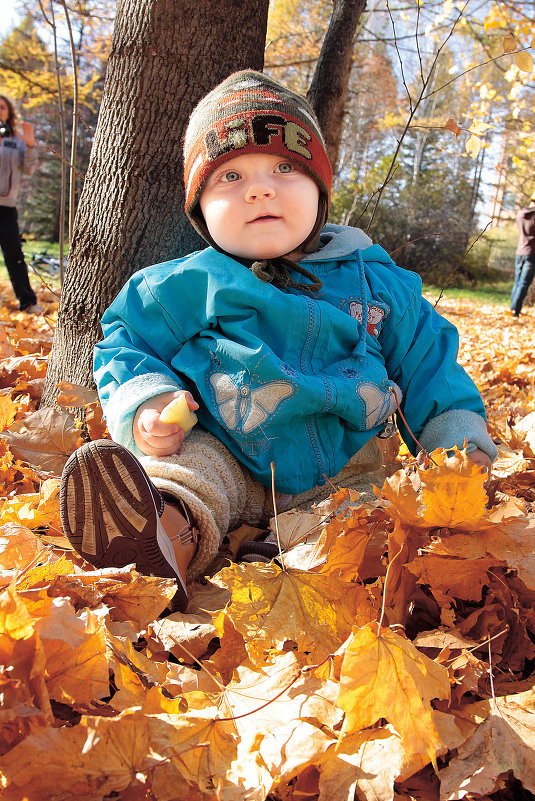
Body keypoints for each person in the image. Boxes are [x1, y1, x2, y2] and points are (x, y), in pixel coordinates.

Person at [59, 70, 498, 612]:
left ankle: (316, 564)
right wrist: (147, 399)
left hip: (343, 464)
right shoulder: (186, 284)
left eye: (286, 168)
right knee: (185, 476)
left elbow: (430, 365)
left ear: (320, 188)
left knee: (362, 520)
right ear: (201, 210)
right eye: (231, 177)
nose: (260, 188)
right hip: (224, 446)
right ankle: (160, 538)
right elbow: (127, 340)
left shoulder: (377, 283)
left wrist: (455, 444)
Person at [0, 94, 42, 314]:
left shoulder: (18, 140)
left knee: (15, 255)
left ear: (9, 112)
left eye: (2, 107)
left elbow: (29, 168)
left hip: (6, 206)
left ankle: (28, 302)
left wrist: (32, 144)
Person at [510, 192, 535, 317]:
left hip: (520, 251)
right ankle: (516, 311)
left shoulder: (520, 214)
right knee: (524, 282)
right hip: (532, 252)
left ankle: (512, 307)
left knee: (517, 281)